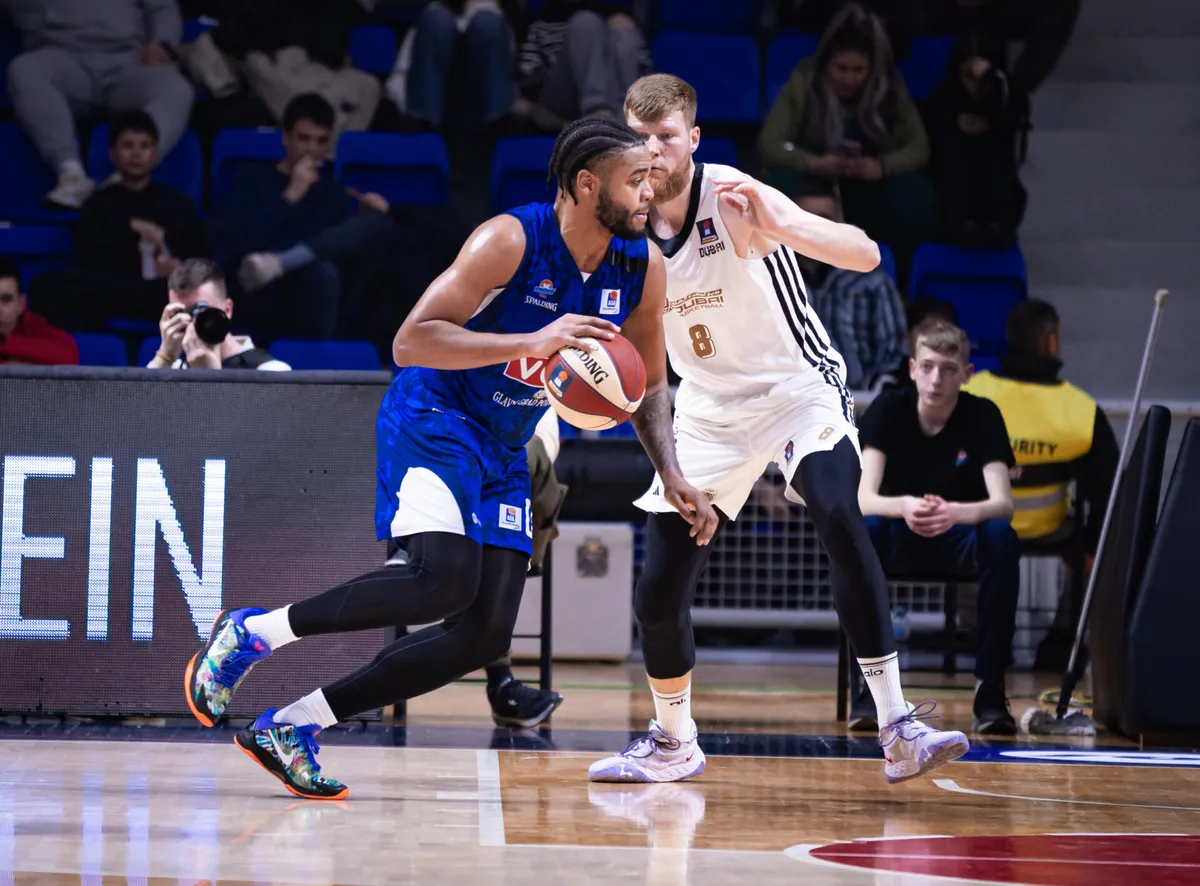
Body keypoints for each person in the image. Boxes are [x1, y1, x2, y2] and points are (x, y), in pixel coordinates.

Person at [184, 115, 719, 800]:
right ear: (588, 184)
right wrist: (532, 340)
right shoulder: (510, 240)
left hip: (505, 441)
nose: (652, 191)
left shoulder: (641, 266)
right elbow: (411, 340)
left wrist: (670, 474)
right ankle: (252, 632)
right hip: (435, 415)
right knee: (441, 580)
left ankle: (292, 726)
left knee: (483, 634)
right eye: (636, 179)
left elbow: (651, 384)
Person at [586, 73, 969, 786]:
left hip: (797, 389)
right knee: (659, 590)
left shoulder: (734, 196)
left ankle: (897, 726)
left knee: (837, 510)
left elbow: (864, 253)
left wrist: (780, 224)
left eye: (665, 137)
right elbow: (643, 360)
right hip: (708, 409)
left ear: (692, 139)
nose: (651, 151)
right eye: (638, 138)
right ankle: (674, 743)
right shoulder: (622, 225)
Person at [857, 321, 1020, 734]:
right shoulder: (888, 408)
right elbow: (863, 499)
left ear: (967, 373)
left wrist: (954, 512)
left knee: (1001, 537)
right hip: (901, 532)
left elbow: (1003, 504)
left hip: (958, 535)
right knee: (866, 531)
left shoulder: (983, 414)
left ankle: (989, 689)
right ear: (912, 368)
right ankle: (870, 687)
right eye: (928, 367)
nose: (936, 379)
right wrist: (905, 506)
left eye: (949, 369)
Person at [962, 299, 1118, 670]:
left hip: (980, 527)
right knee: (1098, 552)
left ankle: (981, 637)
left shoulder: (969, 395)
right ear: (1051, 342)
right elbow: (1110, 490)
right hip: (1052, 530)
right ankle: (1061, 645)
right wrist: (1090, 544)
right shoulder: (1081, 410)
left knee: (959, 532)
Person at [759, 3, 939, 287]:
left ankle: (900, 283)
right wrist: (813, 163)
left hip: (871, 181)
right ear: (826, 63)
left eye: (858, 70)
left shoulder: (889, 87)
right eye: (841, 68)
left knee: (917, 197)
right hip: (813, 177)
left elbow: (918, 147)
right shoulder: (804, 81)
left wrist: (882, 166)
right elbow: (771, 144)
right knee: (770, 192)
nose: (849, 78)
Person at [217, 93, 389, 340]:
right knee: (322, 271)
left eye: (321, 141)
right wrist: (291, 195)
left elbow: (337, 253)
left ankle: (281, 262)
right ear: (285, 138)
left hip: (319, 294)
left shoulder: (333, 193)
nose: (312, 149)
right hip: (264, 294)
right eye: (303, 138)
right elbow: (242, 245)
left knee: (380, 223)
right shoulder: (252, 178)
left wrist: (361, 223)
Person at [30, 111, 209, 333]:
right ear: (113, 154)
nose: (136, 154)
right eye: (128, 145)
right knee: (47, 284)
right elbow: (88, 259)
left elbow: (200, 256)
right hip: (112, 290)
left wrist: (177, 264)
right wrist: (129, 231)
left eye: (144, 146)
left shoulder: (178, 204)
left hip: (160, 292)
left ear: (155, 153)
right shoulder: (97, 203)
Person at [4, 0, 194, 208]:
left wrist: (162, 44)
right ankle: (71, 174)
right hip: (61, 59)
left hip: (129, 60)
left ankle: (125, 182)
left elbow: (162, 7)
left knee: (176, 88)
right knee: (25, 70)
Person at [146, 259, 290, 371]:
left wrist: (211, 375)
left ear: (227, 309)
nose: (192, 323)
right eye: (181, 314)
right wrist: (165, 357)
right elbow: (140, 400)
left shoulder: (271, 371)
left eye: (202, 311)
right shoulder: (171, 369)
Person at [0, 260, 79, 366]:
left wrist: (4, 342)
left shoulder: (33, 325)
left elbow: (69, 355)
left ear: (21, 304)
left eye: (6, 300)